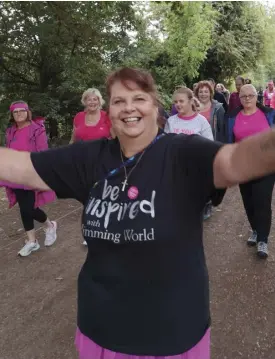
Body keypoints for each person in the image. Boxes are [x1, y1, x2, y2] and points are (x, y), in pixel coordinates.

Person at [2, 68, 275, 359]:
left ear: (155, 106)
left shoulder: (184, 153)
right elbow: (21, 167)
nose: (129, 107)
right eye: (119, 101)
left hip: (173, 332)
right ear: (109, 110)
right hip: (101, 330)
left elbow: (236, 161)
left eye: (139, 98)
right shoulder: (91, 158)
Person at [0, 101, 57, 257]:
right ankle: (32, 241)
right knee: (23, 207)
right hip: (15, 175)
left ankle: (49, 225)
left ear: (27, 112)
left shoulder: (37, 129)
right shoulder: (10, 131)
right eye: (15, 111)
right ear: (12, 114)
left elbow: (42, 153)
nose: (19, 114)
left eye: (22, 111)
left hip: (31, 173)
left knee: (29, 207)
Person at [227, 84, 275, 258]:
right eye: (243, 96)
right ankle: (255, 229)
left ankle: (263, 239)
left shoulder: (269, 114)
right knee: (249, 201)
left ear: (257, 97)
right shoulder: (232, 117)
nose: (247, 99)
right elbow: (229, 140)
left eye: (250, 95)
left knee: (262, 201)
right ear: (239, 98)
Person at [70, 88, 113, 245]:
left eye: (95, 99)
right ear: (84, 101)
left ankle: (104, 227)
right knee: (87, 197)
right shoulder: (79, 117)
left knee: (102, 196)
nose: (92, 102)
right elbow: (74, 138)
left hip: (103, 162)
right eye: (89, 99)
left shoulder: (106, 117)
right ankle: (91, 230)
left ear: (100, 101)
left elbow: (114, 137)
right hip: (83, 164)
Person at [194, 81, 226, 219]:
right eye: (200, 91)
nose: (203, 94)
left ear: (210, 92)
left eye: (206, 91)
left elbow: (222, 129)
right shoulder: (192, 106)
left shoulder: (218, 108)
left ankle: (208, 203)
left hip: (211, 147)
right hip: (194, 148)